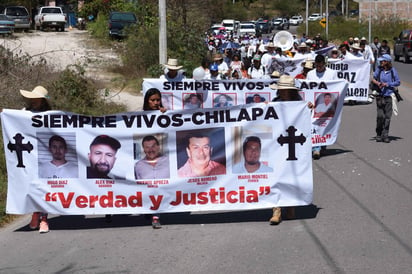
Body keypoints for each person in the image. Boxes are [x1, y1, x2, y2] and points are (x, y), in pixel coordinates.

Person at [269, 75, 314, 225]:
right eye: (281, 90)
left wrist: (308, 108)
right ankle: (276, 210)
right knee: (276, 177)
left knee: (291, 177)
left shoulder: (299, 105)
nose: (282, 93)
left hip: (294, 147)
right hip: (277, 147)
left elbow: (305, 124)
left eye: (285, 90)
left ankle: (291, 207)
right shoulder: (274, 104)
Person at [20, 86, 51, 233]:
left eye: (36, 98)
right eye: (31, 98)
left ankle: (43, 219)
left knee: (43, 187)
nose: (33, 100)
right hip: (29, 155)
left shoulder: (50, 115)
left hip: (45, 156)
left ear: (42, 100)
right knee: (31, 186)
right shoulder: (23, 113)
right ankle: (35, 214)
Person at [306, 54, 338, 159]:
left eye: (320, 66)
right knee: (314, 126)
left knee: (325, 125)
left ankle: (322, 144)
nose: (318, 68)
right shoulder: (310, 74)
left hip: (327, 104)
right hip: (314, 105)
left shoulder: (332, 73)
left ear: (324, 64)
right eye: (317, 66)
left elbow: (337, 87)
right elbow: (307, 89)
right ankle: (316, 148)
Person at [371, 54, 400, 143]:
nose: (381, 62)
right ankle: (378, 134)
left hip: (389, 96)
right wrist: (378, 83)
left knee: (387, 117)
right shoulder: (379, 70)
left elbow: (398, 82)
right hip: (380, 96)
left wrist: (388, 84)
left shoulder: (392, 71)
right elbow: (373, 79)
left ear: (387, 62)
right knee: (380, 116)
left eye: (382, 61)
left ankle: (385, 134)